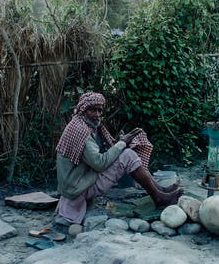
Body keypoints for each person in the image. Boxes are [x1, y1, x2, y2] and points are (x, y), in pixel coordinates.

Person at [55, 92, 184, 225]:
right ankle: (158, 197)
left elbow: (98, 155)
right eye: (93, 110)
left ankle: (160, 191)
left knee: (128, 153)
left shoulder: (81, 125)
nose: (98, 114)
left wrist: (120, 143)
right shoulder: (81, 132)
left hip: (78, 182)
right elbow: (99, 163)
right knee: (128, 155)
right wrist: (121, 143)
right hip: (79, 188)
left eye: (100, 110)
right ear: (83, 110)